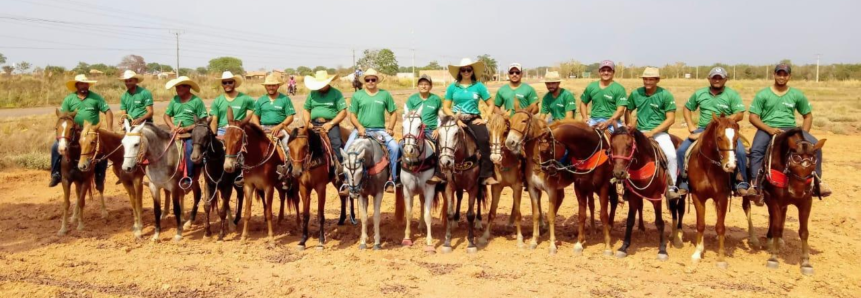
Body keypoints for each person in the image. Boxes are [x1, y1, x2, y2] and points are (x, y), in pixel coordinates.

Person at [748, 63, 830, 199]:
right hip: (768, 128)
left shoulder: (797, 95)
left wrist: (804, 135)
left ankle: (817, 182)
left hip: (791, 129)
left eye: (784, 74)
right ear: (774, 75)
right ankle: (755, 184)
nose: (781, 77)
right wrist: (769, 129)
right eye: (779, 74)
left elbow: (808, 116)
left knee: (816, 148)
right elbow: (752, 117)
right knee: (756, 150)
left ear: (789, 76)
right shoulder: (763, 94)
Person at [676, 67, 752, 197]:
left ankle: (740, 183)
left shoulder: (732, 95)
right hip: (703, 130)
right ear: (709, 79)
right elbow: (687, 108)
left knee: (740, 152)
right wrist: (690, 125)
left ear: (725, 79)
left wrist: (723, 122)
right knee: (682, 150)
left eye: (720, 78)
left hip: (726, 131)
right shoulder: (700, 93)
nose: (717, 80)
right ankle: (684, 182)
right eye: (714, 77)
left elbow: (740, 114)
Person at [623, 67, 682, 199]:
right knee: (624, 154)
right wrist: (629, 125)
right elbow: (628, 110)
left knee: (671, 156)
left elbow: (671, 118)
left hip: (659, 133)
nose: (648, 81)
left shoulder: (665, 95)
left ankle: (671, 188)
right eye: (645, 79)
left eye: (651, 79)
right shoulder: (635, 93)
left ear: (657, 80)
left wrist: (652, 132)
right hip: (639, 132)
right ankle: (626, 185)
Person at [49, 74, 112, 188]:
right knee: (55, 147)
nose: (84, 86)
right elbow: (63, 115)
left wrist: (109, 128)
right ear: (76, 85)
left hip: (91, 132)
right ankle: (56, 174)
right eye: (81, 83)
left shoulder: (96, 98)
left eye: (86, 83)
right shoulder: (69, 99)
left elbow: (108, 111)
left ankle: (99, 177)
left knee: (102, 151)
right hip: (75, 132)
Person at [442, 58, 498, 185]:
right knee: (442, 137)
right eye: (463, 70)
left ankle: (486, 175)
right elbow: (446, 107)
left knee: (484, 139)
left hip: (473, 118)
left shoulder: (479, 86)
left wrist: (486, 118)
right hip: (457, 118)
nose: (466, 72)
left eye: (469, 69)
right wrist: (455, 119)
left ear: (472, 71)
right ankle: (440, 173)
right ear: (460, 72)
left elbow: (491, 103)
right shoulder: (452, 87)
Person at [344, 69, 401, 193]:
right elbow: (352, 115)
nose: (370, 82)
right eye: (367, 80)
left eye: (373, 79)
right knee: (347, 149)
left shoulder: (385, 94)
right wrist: (359, 127)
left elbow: (393, 113)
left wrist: (390, 128)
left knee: (395, 148)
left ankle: (393, 179)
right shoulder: (357, 95)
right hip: (360, 130)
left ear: (376, 81)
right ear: (364, 81)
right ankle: (346, 182)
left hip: (379, 130)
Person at [303, 70, 347, 179]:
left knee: (336, 142)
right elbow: (306, 109)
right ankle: (294, 169)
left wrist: (331, 124)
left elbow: (343, 112)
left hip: (330, 123)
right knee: (300, 142)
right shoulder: (312, 94)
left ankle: (339, 169)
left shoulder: (336, 93)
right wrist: (307, 123)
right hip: (313, 123)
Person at [402, 74, 445, 184]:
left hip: (431, 130)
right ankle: (398, 177)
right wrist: (409, 114)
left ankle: (438, 174)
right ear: (418, 86)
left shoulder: (436, 99)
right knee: (399, 147)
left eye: (426, 84)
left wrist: (438, 129)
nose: (423, 86)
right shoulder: (412, 99)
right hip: (414, 132)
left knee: (441, 146)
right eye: (421, 84)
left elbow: (441, 116)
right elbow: (406, 116)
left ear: (430, 86)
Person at [164, 76, 207, 180]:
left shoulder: (197, 101)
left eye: (181, 87)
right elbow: (166, 116)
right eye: (177, 87)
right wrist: (172, 126)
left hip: (192, 133)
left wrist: (187, 128)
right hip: (175, 132)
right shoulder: (174, 100)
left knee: (189, 150)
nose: (178, 89)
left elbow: (203, 120)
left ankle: (189, 177)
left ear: (188, 87)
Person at [251, 73, 295, 162]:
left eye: (273, 85)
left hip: (281, 128)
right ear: (265, 87)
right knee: (250, 145)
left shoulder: (285, 99)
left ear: (278, 86)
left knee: (288, 146)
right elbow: (255, 115)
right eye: (269, 85)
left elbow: (290, 117)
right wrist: (258, 127)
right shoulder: (260, 100)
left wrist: (279, 126)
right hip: (263, 127)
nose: (271, 87)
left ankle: (289, 169)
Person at [580, 60, 627, 133]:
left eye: (609, 70)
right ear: (599, 72)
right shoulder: (591, 87)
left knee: (622, 141)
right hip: (594, 120)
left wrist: (608, 122)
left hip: (612, 121)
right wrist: (584, 117)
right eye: (603, 70)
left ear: (613, 72)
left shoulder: (619, 89)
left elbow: (620, 111)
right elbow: (583, 103)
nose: (606, 73)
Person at [210, 71, 255, 136]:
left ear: (234, 83)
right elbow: (214, 121)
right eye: (224, 82)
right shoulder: (217, 100)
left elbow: (257, 109)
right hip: (222, 130)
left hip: (239, 129)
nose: (227, 84)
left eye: (230, 82)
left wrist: (251, 121)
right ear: (222, 84)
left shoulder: (245, 98)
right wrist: (214, 135)